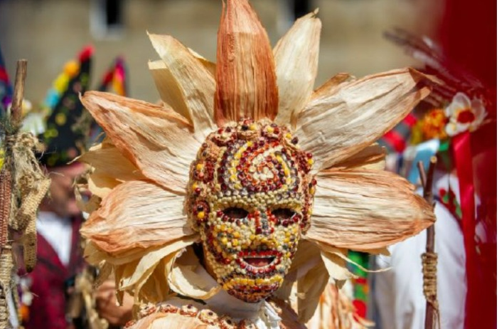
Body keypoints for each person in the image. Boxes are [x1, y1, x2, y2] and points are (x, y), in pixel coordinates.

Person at [78, 0, 436, 328]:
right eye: (236, 212)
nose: (264, 234)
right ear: (198, 213)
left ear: (307, 217)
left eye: (283, 214)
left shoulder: (284, 318)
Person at [19, 46, 93, 329]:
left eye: (86, 179)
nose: (82, 189)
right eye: (73, 180)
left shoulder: (94, 230)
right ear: (42, 173)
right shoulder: (10, 235)